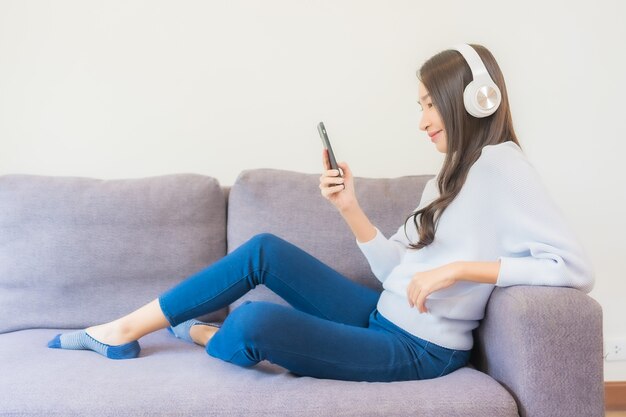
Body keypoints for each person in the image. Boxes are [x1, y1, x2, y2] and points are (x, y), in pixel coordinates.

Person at [47, 44, 594, 382]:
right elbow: (393, 273)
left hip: (419, 349)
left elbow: (572, 268)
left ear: (473, 99)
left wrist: (460, 269)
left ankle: (203, 336)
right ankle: (121, 330)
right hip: (382, 312)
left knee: (255, 321)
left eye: (430, 103)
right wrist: (349, 207)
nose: (423, 119)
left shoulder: (502, 166)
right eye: (421, 105)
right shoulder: (450, 175)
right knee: (263, 250)